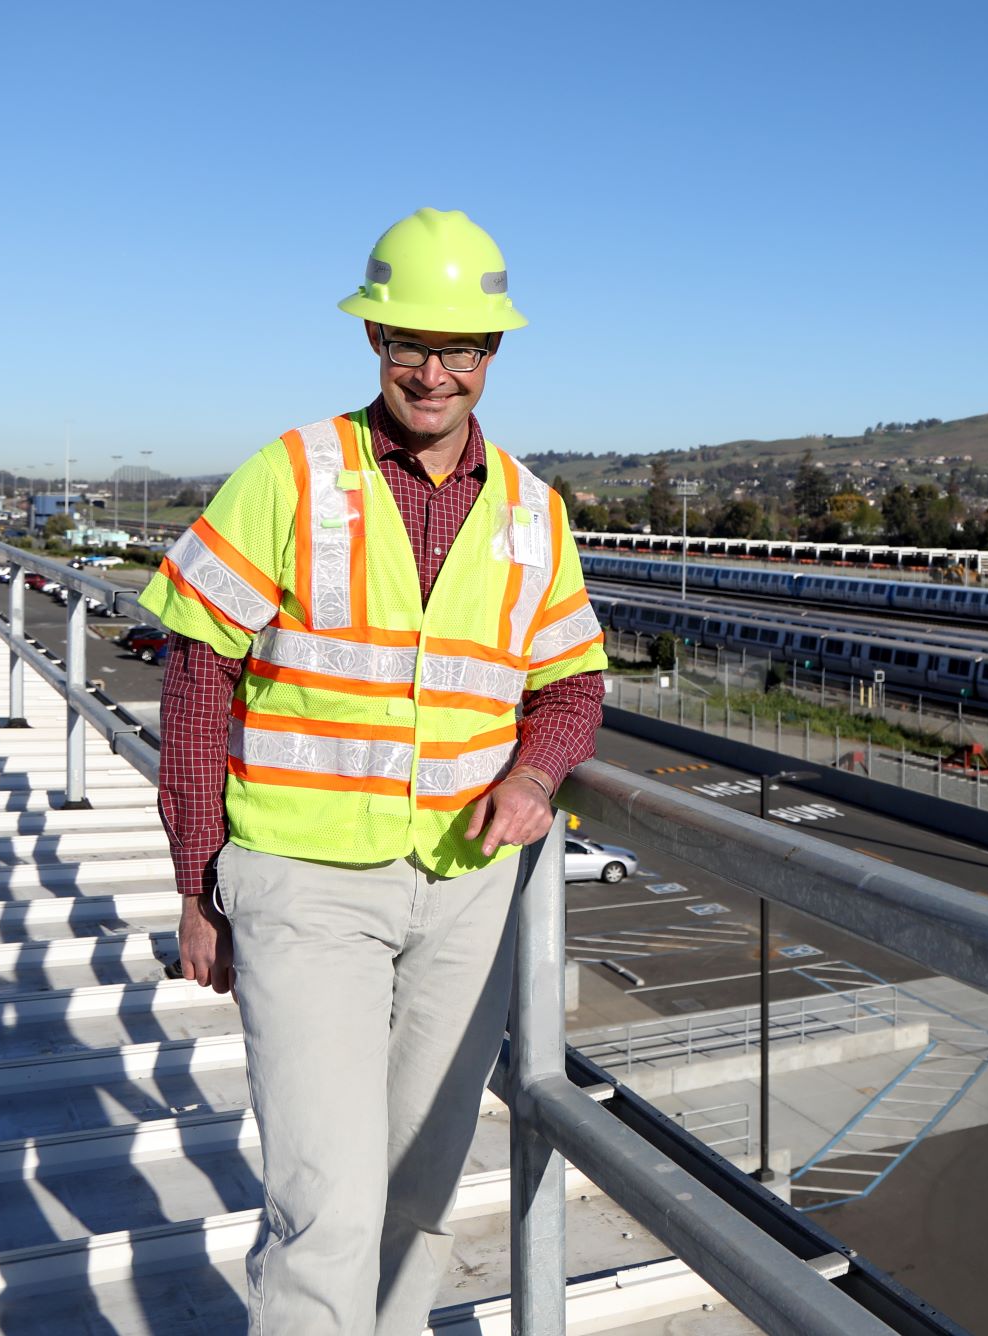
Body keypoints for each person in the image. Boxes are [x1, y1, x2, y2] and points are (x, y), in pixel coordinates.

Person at [140, 207, 606, 1334]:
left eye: (462, 349)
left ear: (495, 356)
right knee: (326, 1209)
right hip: (303, 882)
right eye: (410, 344)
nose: (435, 373)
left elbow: (573, 686)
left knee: (419, 1200)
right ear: (372, 342)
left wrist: (539, 774)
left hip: (463, 889)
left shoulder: (537, 514)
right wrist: (198, 880)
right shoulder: (293, 472)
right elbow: (200, 679)